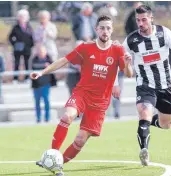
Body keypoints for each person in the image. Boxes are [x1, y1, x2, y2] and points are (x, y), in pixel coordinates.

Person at [31, 15, 133, 176]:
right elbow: (63, 60)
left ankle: (57, 164)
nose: (105, 31)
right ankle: (52, 153)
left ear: (112, 30)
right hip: (82, 93)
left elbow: (128, 74)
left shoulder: (118, 50)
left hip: (100, 101)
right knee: (67, 116)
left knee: (80, 139)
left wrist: (127, 64)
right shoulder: (86, 47)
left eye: (108, 28)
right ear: (96, 29)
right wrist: (42, 72)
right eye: (102, 28)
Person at [122, 5, 171, 166]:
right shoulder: (131, 40)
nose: (140, 23)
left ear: (151, 19)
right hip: (145, 84)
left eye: (144, 20)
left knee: (166, 124)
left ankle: (147, 124)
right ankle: (144, 151)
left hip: (166, 84)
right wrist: (123, 68)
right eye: (138, 20)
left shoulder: (163, 33)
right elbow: (123, 65)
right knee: (144, 112)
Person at [31, 45, 57, 123]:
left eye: (42, 52)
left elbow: (54, 68)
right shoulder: (34, 60)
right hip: (36, 85)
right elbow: (33, 67)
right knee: (37, 102)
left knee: (46, 101)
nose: (40, 53)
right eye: (39, 52)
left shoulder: (49, 60)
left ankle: (47, 118)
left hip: (46, 84)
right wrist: (45, 67)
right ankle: (38, 118)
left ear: (45, 52)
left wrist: (48, 67)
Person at [8, 9, 34, 82]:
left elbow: (32, 37)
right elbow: (10, 37)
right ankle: (15, 78)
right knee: (17, 63)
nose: (22, 18)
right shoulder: (15, 27)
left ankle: (27, 78)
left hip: (27, 48)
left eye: (24, 16)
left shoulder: (29, 27)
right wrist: (14, 43)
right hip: (18, 48)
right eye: (20, 16)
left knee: (27, 63)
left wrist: (31, 45)